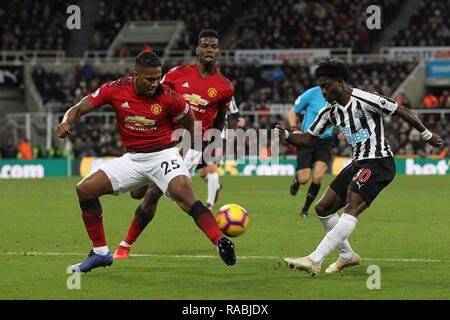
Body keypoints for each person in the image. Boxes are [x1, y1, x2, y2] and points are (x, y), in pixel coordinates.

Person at [56, 51, 236, 273]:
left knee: (185, 195)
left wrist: (184, 151)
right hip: (133, 159)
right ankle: (101, 253)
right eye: (150, 79)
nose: (155, 84)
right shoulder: (115, 89)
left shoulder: (170, 97)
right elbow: (81, 106)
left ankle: (220, 242)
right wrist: (66, 122)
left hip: (164, 155)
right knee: (85, 189)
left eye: (158, 77)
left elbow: (192, 124)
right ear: (135, 76)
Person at [275, 59, 442, 276]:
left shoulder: (365, 99)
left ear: (340, 82)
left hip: (379, 161)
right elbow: (308, 139)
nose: (323, 91)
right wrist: (287, 135)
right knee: (323, 208)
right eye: (321, 87)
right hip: (358, 163)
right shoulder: (330, 111)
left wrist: (427, 135)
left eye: (326, 86)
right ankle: (347, 256)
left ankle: (315, 259)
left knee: (351, 205)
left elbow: (401, 110)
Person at [114, 29, 235, 260]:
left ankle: (124, 246)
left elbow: (220, 120)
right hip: (162, 138)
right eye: (205, 46)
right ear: (198, 50)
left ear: (219, 52)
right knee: (138, 193)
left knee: (153, 193)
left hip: (191, 144)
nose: (209, 50)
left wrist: (210, 146)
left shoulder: (225, 87)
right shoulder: (176, 74)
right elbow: (154, 96)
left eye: (213, 47)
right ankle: (125, 245)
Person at [288, 86, 333, 218]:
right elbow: (293, 111)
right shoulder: (312, 93)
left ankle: (305, 209)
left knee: (318, 177)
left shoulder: (338, 95)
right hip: (307, 139)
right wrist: (294, 128)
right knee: (304, 179)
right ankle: (297, 179)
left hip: (325, 141)